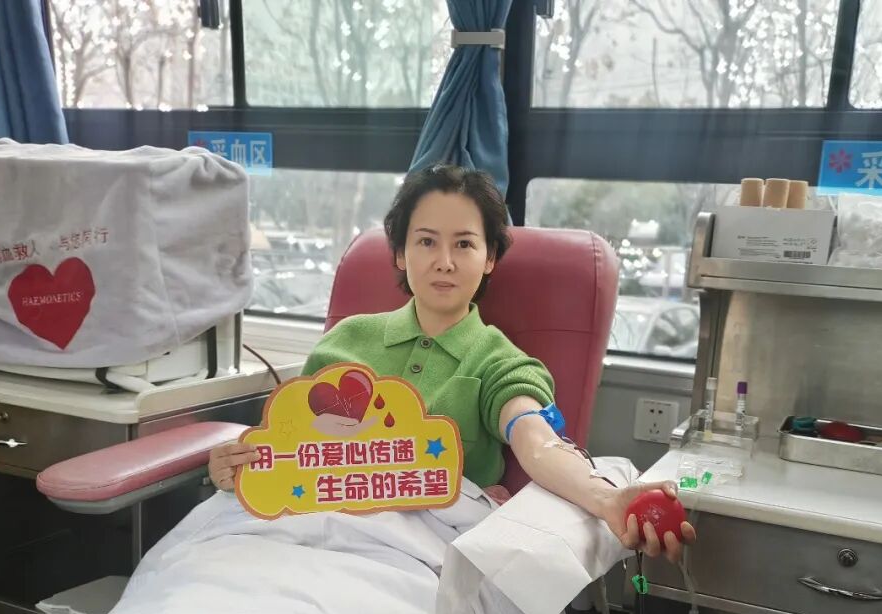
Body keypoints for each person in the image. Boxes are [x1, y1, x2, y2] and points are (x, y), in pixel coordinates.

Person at [209, 164, 695, 560]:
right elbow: (289, 454)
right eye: (426, 241)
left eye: (464, 244)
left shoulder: (500, 362)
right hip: (298, 536)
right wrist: (234, 466)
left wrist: (607, 499)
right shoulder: (343, 343)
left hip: (411, 553)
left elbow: (537, 442)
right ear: (400, 254)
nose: (444, 260)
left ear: (489, 258)